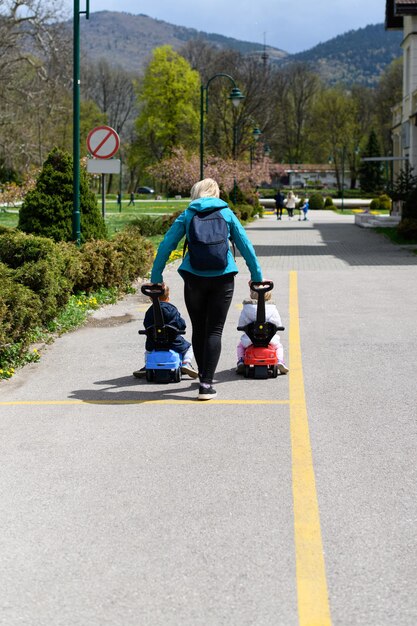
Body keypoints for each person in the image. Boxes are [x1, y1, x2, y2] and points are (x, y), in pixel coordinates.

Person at [149, 177, 263, 400]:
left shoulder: (188, 213)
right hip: (223, 277)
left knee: (199, 329)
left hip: (194, 278)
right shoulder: (227, 213)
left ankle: (203, 375)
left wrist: (156, 275)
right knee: (215, 331)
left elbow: (166, 244)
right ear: (216, 193)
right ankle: (206, 384)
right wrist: (256, 275)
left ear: (196, 193)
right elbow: (245, 245)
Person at [133, 285, 198, 379]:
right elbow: (181, 324)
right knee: (189, 347)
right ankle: (185, 363)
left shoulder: (149, 311)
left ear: (150, 298)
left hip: (154, 342)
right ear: (168, 298)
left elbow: (146, 324)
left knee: (148, 351)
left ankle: (147, 365)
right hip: (173, 341)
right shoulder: (172, 309)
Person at [236, 286, 289, 375]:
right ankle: (280, 360)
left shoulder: (246, 308)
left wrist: (243, 328)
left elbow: (241, 324)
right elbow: (278, 324)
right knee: (278, 346)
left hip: (250, 339)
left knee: (240, 345)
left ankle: (241, 360)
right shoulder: (272, 308)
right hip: (269, 338)